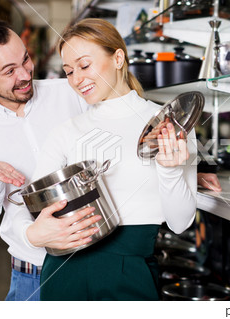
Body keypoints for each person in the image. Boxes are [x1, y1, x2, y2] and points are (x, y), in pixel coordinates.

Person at [14, 18, 198, 301]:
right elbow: (26, 204)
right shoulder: (66, 131)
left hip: (131, 270)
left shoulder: (169, 126)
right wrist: (31, 235)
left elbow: (180, 222)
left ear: (118, 57)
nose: (76, 79)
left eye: (84, 65)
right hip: (64, 271)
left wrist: (171, 170)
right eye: (69, 71)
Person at [0, 17, 100, 301]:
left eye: (25, 60)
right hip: (33, 273)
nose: (24, 74)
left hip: (98, 259)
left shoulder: (71, 92)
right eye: (9, 71)